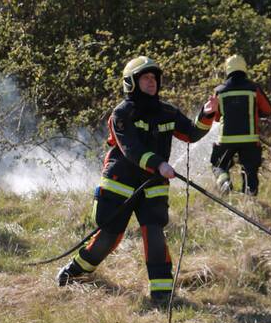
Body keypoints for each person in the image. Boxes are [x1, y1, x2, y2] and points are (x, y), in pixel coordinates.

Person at [57, 56, 218, 304]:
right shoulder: (121, 114)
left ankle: (162, 295)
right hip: (119, 182)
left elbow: (191, 133)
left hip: (153, 185)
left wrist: (206, 115)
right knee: (109, 236)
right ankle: (74, 273)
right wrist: (159, 164)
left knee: (154, 232)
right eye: (145, 77)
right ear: (131, 83)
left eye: (154, 77)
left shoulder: (167, 112)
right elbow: (131, 149)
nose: (151, 82)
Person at [209, 54, 271, 196]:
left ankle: (224, 182)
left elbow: (217, 117)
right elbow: (268, 110)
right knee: (250, 170)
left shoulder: (219, 91)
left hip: (226, 140)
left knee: (219, 165)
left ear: (227, 70)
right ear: (244, 68)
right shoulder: (253, 88)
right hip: (249, 139)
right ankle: (249, 201)